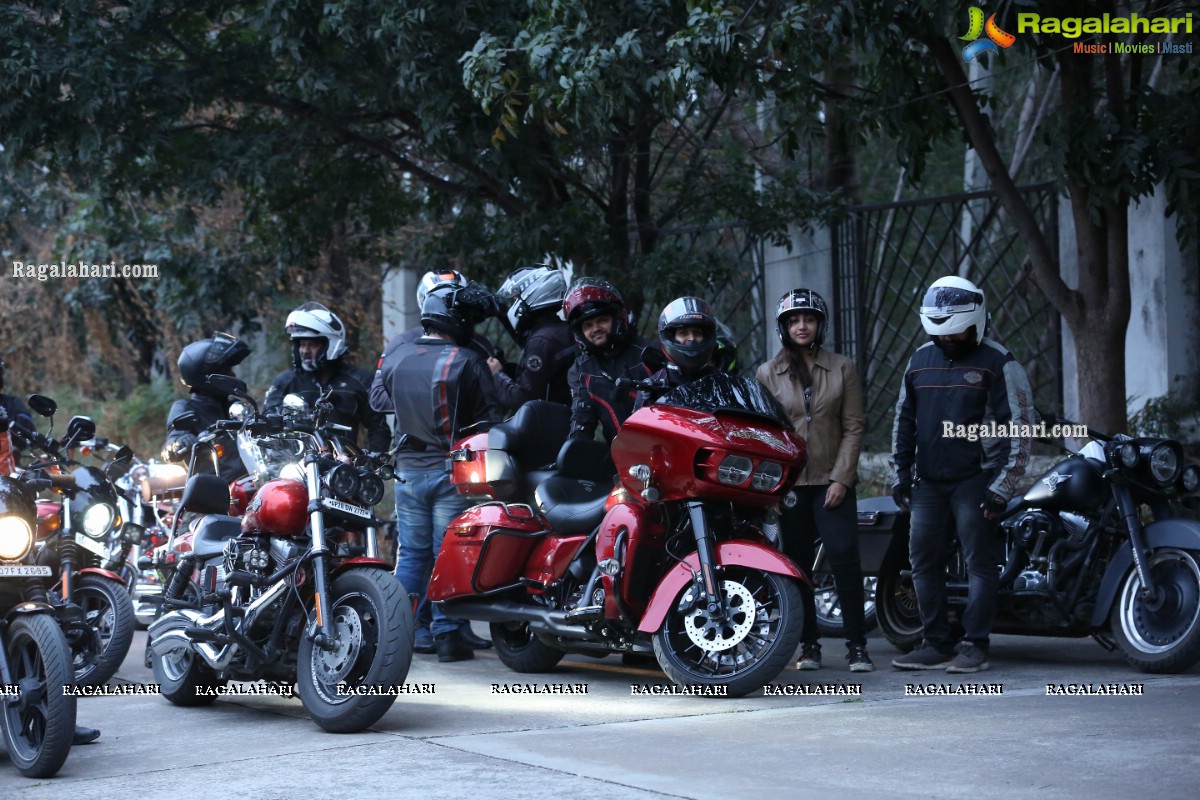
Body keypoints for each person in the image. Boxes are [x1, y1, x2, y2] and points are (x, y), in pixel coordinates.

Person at [890, 275, 1033, 674]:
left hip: (977, 481)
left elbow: (1019, 429)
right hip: (929, 483)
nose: (949, 341)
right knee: (922, 560)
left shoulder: (1000, 363)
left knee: (980, 563)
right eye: (942, 336)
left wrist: (1002, 487)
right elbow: (903, 419)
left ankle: (974, 644)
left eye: (958, 335)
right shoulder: (919, 360)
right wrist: (900, 475)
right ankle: (935, 641)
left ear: (978, 320)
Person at [376, 283, 503, 662]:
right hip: (451, 471)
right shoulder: (466, 360)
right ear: (457, 319)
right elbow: (490, 417)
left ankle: (394, 632)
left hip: (407, 473)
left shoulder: (397, 357)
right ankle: (448, 634)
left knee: (412, 555)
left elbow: (377, 399)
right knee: (446, 553)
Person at [755, 289, 872, 672]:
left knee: (843, 558)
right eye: (793, 320)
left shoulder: (843, 367)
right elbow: (763, 432)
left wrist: (841, 478)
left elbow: (854, 427)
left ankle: (857, 646)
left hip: (831, 481)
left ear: (819, 324)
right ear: (783, 327)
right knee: (797, 564)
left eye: (808, 319)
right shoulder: (766, 373)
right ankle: (809, 645)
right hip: (789, 486)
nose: (801, 326)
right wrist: (771, 487)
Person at [263, 302, 390, 453]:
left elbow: (379, 428)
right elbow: (267, 422)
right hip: (295, 468)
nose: (305, 351)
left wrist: (371, 461)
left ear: (331, 344)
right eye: (302, 344)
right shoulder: (285, 381)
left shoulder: (359, 381)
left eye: (312, 344)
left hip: (344, 466)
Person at [369, 269, 501, 414]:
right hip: (414, 432)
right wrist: (430, 399)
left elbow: (493, 400)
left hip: (468, 433)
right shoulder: (402, 344)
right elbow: (377, 397)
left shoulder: (479, 345)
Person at [562, 277, 651, 443]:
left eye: (602, 320)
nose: (595, 329)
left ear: (617, 318)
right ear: (579, 332)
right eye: (587, 325)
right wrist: (571, 454)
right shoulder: (580, 369)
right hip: (619, 459)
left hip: (665, 450)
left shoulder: (648, 352)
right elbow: (581, 419)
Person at [163, 332, 253, 484]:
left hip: (251, 481)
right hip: (215, 492)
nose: (233, 375)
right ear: (207, 377)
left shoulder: (234, 406)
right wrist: (180, 443)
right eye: (226, 371)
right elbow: (170, 446)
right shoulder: (186, 407)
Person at [487, 264, 575, 412]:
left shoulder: (541, 342)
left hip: (550, 428)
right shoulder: (564, 330)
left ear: (532, 294)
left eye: (515, 297)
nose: (513, 302)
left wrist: (497, 374)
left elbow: (523, 400)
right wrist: (508, 369)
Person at [633, 296, 721, 410]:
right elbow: (637, 424)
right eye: (684, 333)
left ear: (706, 337)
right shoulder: (652, 386)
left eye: (697, 333)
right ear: (671, 337)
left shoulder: (721, 381)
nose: (691, 339)